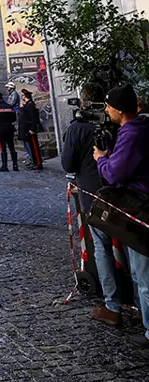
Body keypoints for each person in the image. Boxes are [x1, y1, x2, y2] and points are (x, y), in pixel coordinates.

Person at [63, 83, 125, 327]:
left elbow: (68, 164)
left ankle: (112, 303)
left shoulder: (78, 128)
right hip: (123, 194)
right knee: (131, 247)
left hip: (93, 196)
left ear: (83, 102)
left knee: (102, 248)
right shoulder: (117, 124)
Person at [93, 83, 149, 348]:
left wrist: (101, 159)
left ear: (119, 109)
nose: (106, 110)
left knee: (144, 274)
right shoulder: (141, 127)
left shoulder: (132, 134)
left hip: (140, 208)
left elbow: (115, 173)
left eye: (108, 106)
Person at [18, 89, 45, 170]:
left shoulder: (30, 105)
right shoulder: (27, 105)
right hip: (27, 129)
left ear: (25, 96)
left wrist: (33, 129)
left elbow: (33, 118)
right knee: (32, 147)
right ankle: (34, 162)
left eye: (22, 95)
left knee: (34, 147)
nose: (22, 97)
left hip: (30, 129)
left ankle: (38, 163)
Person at [0, 97, 19, 171]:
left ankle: (5, 165)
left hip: (1, 129)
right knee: (12, 146)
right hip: (9, 128)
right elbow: (14, 118)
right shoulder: (10, 107)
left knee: (3, 148)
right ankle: (15, 165)